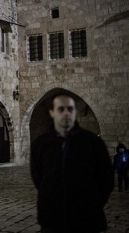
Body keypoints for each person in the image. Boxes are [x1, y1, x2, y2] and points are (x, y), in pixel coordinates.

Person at [30, 93, 114, 232]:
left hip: (87, 219)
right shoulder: (40, 144)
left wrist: (92, 205)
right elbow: (38, 177)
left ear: (75, 112)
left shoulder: (93, 142)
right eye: (61, 109)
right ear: (52, 113)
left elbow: (106, 178)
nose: (66, 113)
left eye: (70, 109)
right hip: (52, 219)